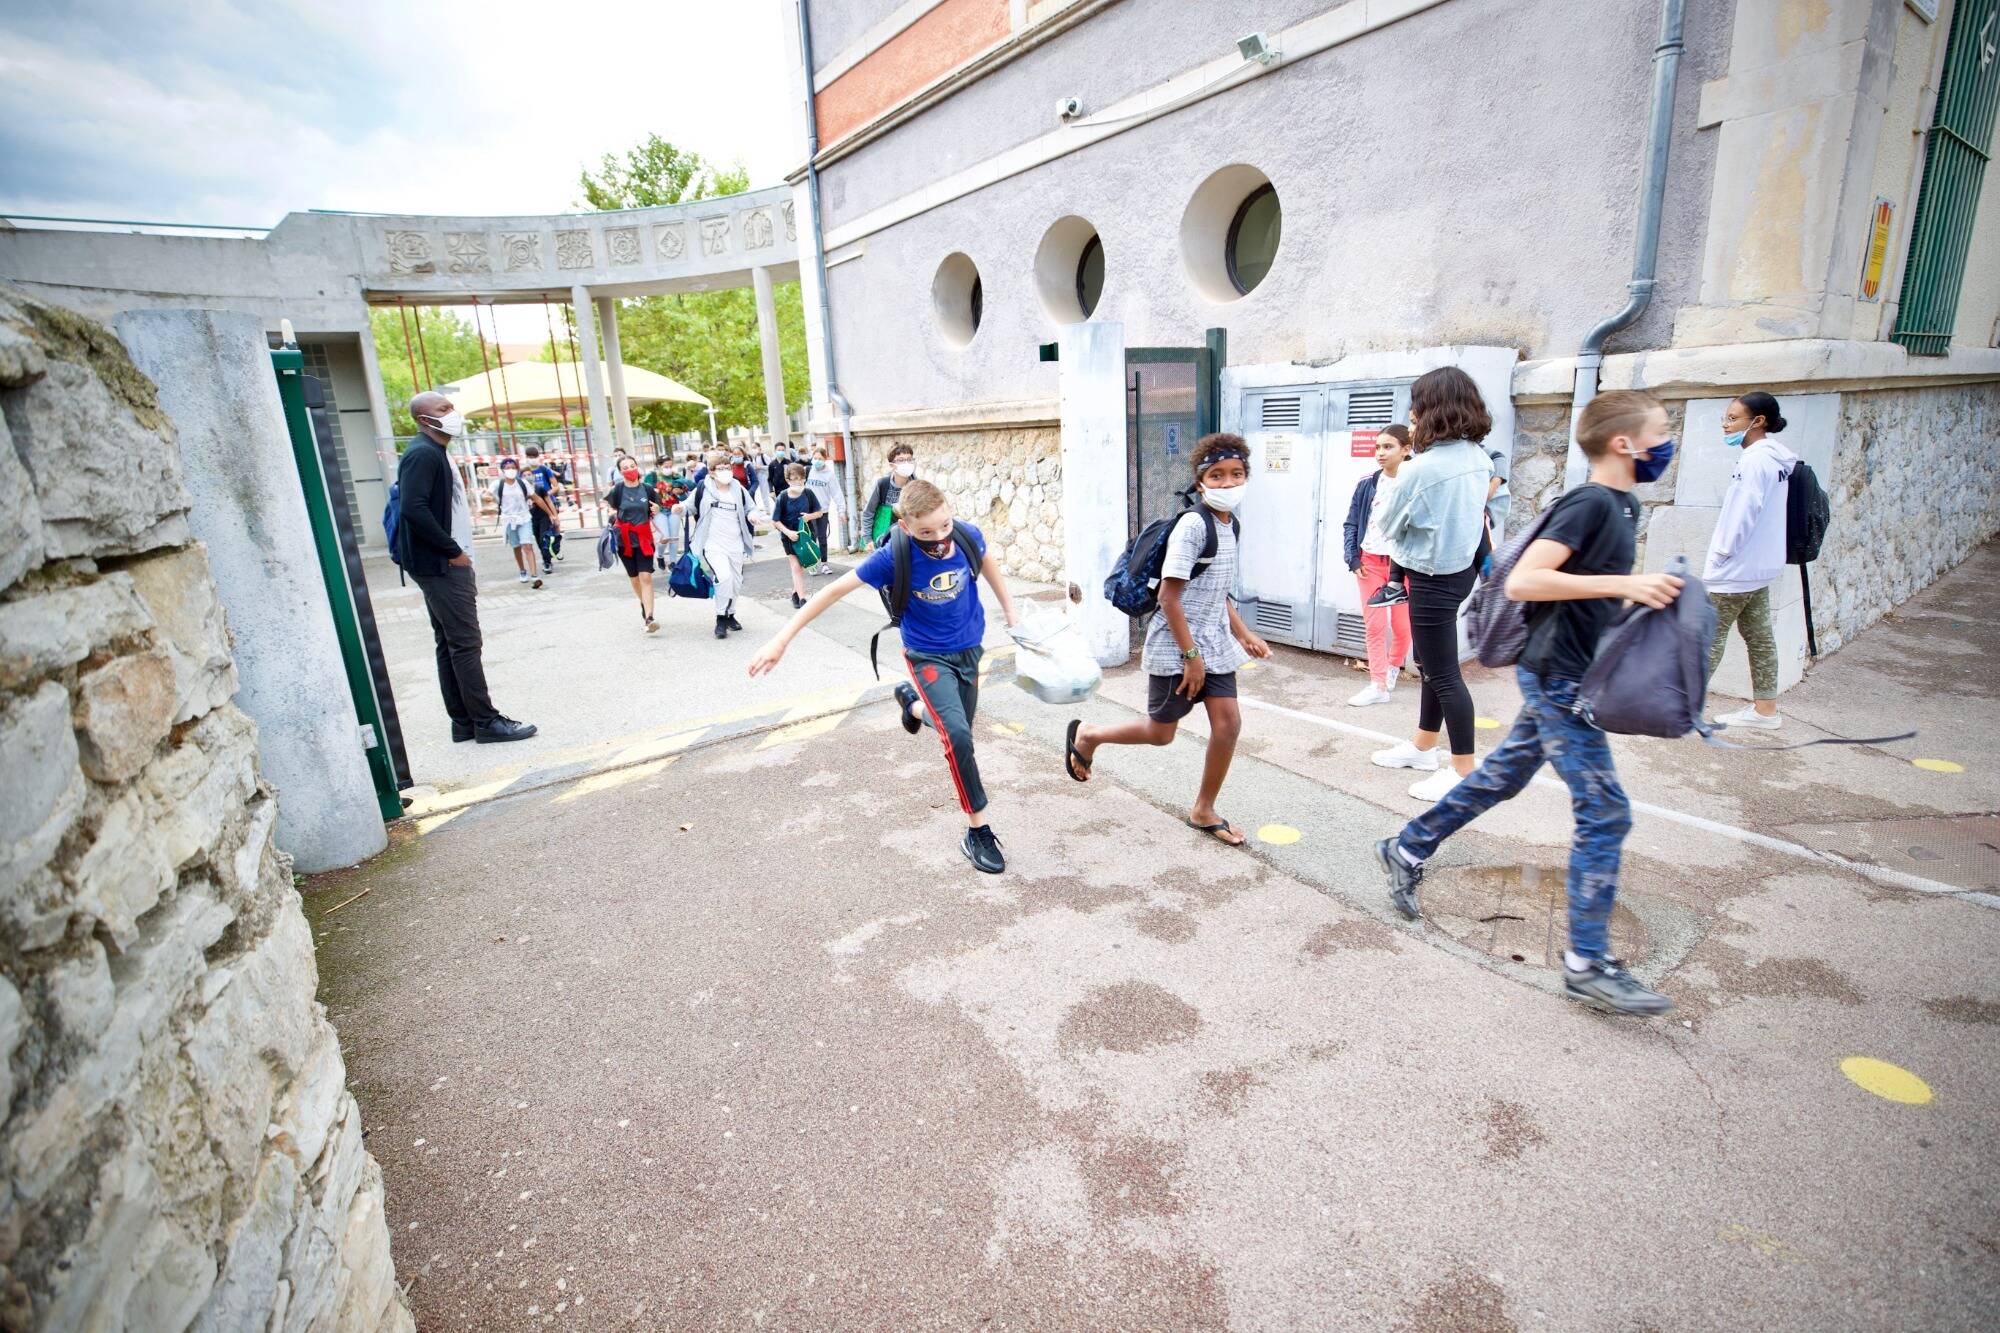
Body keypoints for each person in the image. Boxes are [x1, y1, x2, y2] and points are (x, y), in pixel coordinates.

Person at [1375, 389, 1683, 1016]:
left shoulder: (1622, 505)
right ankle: (1587, 963)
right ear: (1624, 442)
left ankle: (1407, 845)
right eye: (1660, 431)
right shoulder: (1592, 503)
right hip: (1557, 679)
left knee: (1502, 778)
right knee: (1606, 812)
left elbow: (1582, 592)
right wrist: (1629, 584)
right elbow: (1525, 581)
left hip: (1569, 673)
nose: (1667, 442)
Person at [751, 478, 1020, 871]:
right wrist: (781, 639)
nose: (939, 538)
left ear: (950, 513)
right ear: (906, 526)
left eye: (944, 526)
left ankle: (912, 707)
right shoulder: (893, 557)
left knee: (959, 726)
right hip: (926, 656)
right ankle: (977, 830)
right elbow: (831, 592)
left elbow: (986, 559)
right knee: (959, 736)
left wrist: (1010, 610)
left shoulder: (966, 535)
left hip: (970, 647)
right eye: (926, 532)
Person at [1064, 435, 1272, 844]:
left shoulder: (1230, 525)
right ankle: (1088, 735)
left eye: (1236, 474)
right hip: (1178, 644)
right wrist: (1191, 657)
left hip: (1213, 643)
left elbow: (1215, 590)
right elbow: (1169, 597)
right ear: (1201, 483)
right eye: (1217, 475)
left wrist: (1243, 633)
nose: (1228, 483)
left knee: (1228, 724)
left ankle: (1204, 809)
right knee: (1161, 733)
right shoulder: (1194, 526)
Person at [1367, 367, 1497, 801]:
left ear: (1431, 410)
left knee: (1443, 673)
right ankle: (1423, 746)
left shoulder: (1420, 470)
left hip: (1431, 575)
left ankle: (1463, 771)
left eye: (1417, 405)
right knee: (1429, 661)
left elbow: (1387, 524)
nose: (1412, 414)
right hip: (1459, 571)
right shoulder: (1479, 458)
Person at [393, 392, 536, 744]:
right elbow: (413, 508)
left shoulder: (435, 452)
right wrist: (452, 550)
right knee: (465, 643)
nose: (452, 413)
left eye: (451, 407)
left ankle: (464, 721)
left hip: (440, 562)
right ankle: (486, 722)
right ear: (424, 419)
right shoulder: (423, 454)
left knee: (450, 643)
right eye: (443, 409)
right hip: (442, 564)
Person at [1703, 390, 1794, 731]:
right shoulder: (1776, 460)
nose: (1725, 425)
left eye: (1733, 418)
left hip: (1736, 568)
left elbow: (1743, 512)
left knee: (1708, 635)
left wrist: (1722, 553)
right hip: (1759, 566)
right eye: (1725, 418)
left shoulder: (1755, 461)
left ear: (1758, 421)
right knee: (1759, 636)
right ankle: (1766, 710)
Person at [1343, 425, 1414, 706]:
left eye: (1388, 447)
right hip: (1369, 563)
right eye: (1377, 447)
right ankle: (1378, 684)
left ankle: (1393, 666)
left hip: (1403, 566)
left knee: (1402, 626)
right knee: (1374, 625)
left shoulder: (1416, 482)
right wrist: (1352, 558)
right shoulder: (1367, 483)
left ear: (1406, 449)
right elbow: (1351, 523)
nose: (1380, 453)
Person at [691, 448, 756, 638]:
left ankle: (730, 614)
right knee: (724, 577)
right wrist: (679, 508)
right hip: (713, 544)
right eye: (720, 468)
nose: (725, 471)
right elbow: (688, 506)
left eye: (727, 467)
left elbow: (750, 507)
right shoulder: (703, 488)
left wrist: (752, 515)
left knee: (736, 582)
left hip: (735, 543)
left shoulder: (737, 488)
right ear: (711, 472)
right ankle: (720, 617)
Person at [604, 458, 663, 634]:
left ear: (637, 467)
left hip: (644, 538)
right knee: (635, 578)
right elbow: (612, 509)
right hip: (624, 540)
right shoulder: (617, 490)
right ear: (620, 471)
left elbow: (656, 507)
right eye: (625, 467)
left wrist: (657, 509)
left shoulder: (647, 489)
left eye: (632, 466)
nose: (630, 469)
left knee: (646, 577)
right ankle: (644, 603)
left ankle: (649, 617)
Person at [771, 463, 826, 609]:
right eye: (794, 478)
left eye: (801, 478)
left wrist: (809, 516)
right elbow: (775, 521)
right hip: (789, 537)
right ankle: (802, 599)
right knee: (796, 567)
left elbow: (819, 512)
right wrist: (788, 533)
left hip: (805, 536)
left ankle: (795, 593)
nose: (798, 481)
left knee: (801, 566)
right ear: (788, 480)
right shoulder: (782, 497)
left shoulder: (808, 493)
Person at [492, 458, 544, 588]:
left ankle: (534, 576)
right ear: (503, 470)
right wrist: (487, 498)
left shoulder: (523, 483)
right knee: (516, 546)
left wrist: (551, 513)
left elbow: (537, 498)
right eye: (507, 467)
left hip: (524, 517)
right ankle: (522, 570)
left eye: (513, 467)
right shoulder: (498, 484)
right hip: (509, 520)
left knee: (527, 545)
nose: (511, 470)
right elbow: (487, 494)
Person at [862, 444, 917, 548]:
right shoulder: (883, 484)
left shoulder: (917, 486)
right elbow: (869, 512)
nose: (906, 463)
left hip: (912, 539)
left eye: (909, 459)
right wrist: (868, 539)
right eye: (901, 460)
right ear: (892, 465)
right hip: (885, 540)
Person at [805, 444, 845, 570]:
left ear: (825, 459)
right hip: (808, 511)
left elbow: (837, 493)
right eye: (815, 458)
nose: (817, 461)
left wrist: (841, 511)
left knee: (822, 537)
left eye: (820, 459)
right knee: (811, 538)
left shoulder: (829, 475)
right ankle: (812, 564)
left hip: (822, 511)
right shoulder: (808, 471)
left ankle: (824, 563)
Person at [523, 445, 561, 574]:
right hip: (531, 512)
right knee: (539, 538)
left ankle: (553, 553)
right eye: (529, 456)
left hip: (547, 507)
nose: (532, 459)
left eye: (534, 456)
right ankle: (548, 555)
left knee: (549, 534)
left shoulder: (544, 469)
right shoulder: (523, 471)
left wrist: (545, 495)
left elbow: (556, 486)